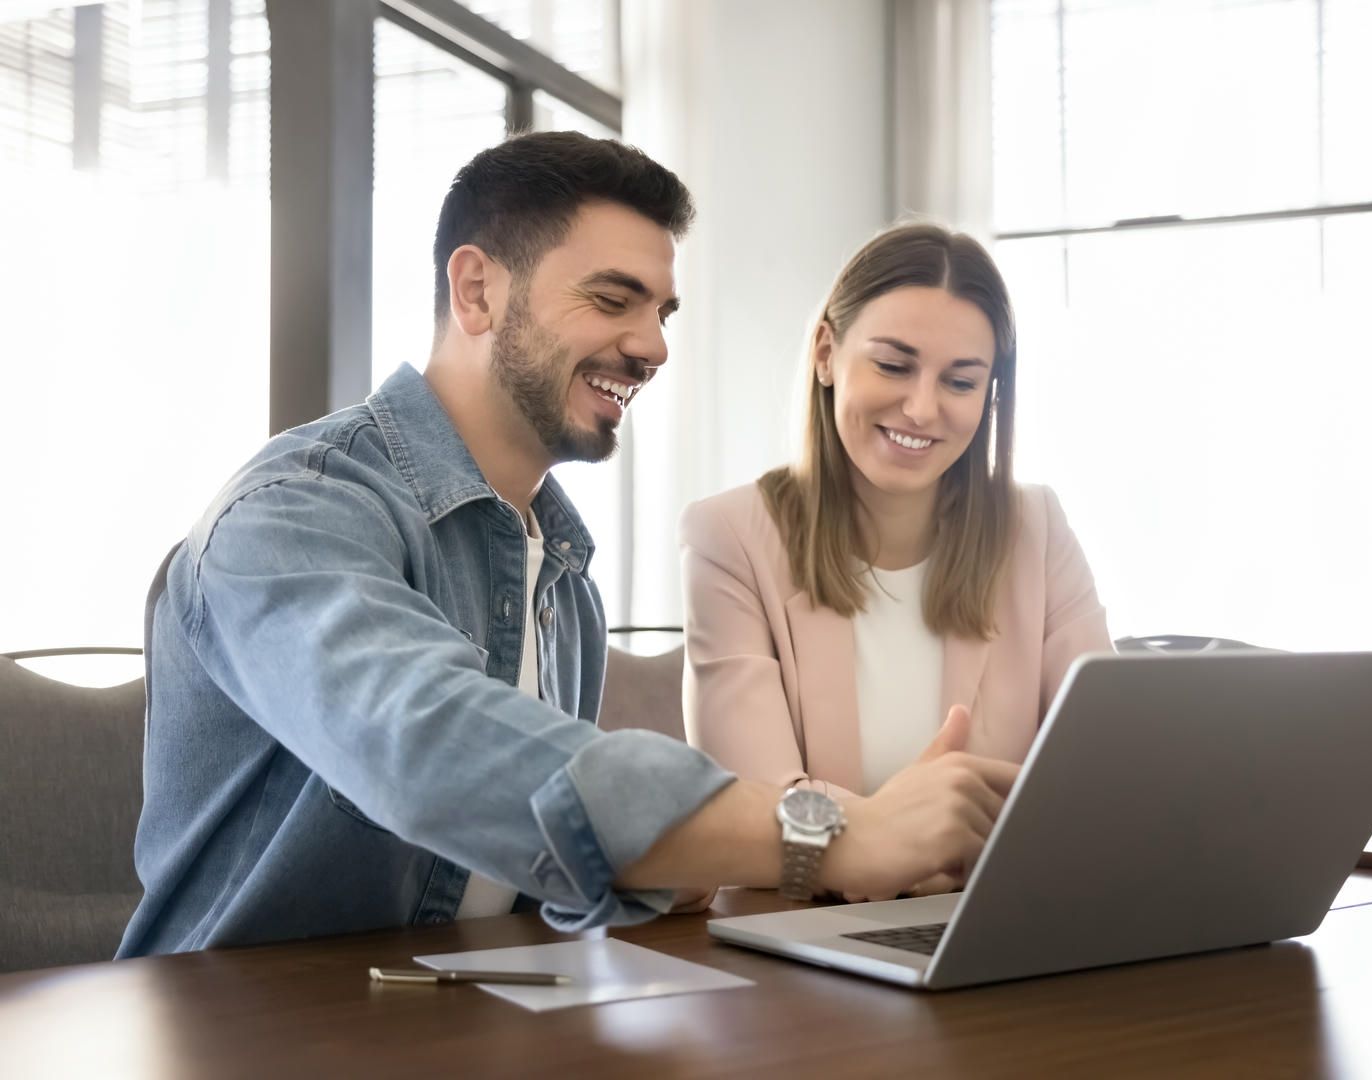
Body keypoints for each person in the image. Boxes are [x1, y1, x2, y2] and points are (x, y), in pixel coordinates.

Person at [119, 134, 1017, 957]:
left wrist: (658, 866)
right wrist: (829, 834)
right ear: (477, 290)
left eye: (662, 310)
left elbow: (506, 862)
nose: (653, 345)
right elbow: (436, 749)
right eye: (612, 299)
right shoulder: (297, 510)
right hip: (247, 1031)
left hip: (454, 1013)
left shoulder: (560, 576)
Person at [681, 223, 1112, 813]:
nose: (921, 409)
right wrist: (904, 829)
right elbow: (757, 809)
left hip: (996, 901)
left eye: (960, 381)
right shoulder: (728, 537)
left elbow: (1102, 769)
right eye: (892, 366)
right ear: (827, 354)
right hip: (808, 908)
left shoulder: (1036, 529)